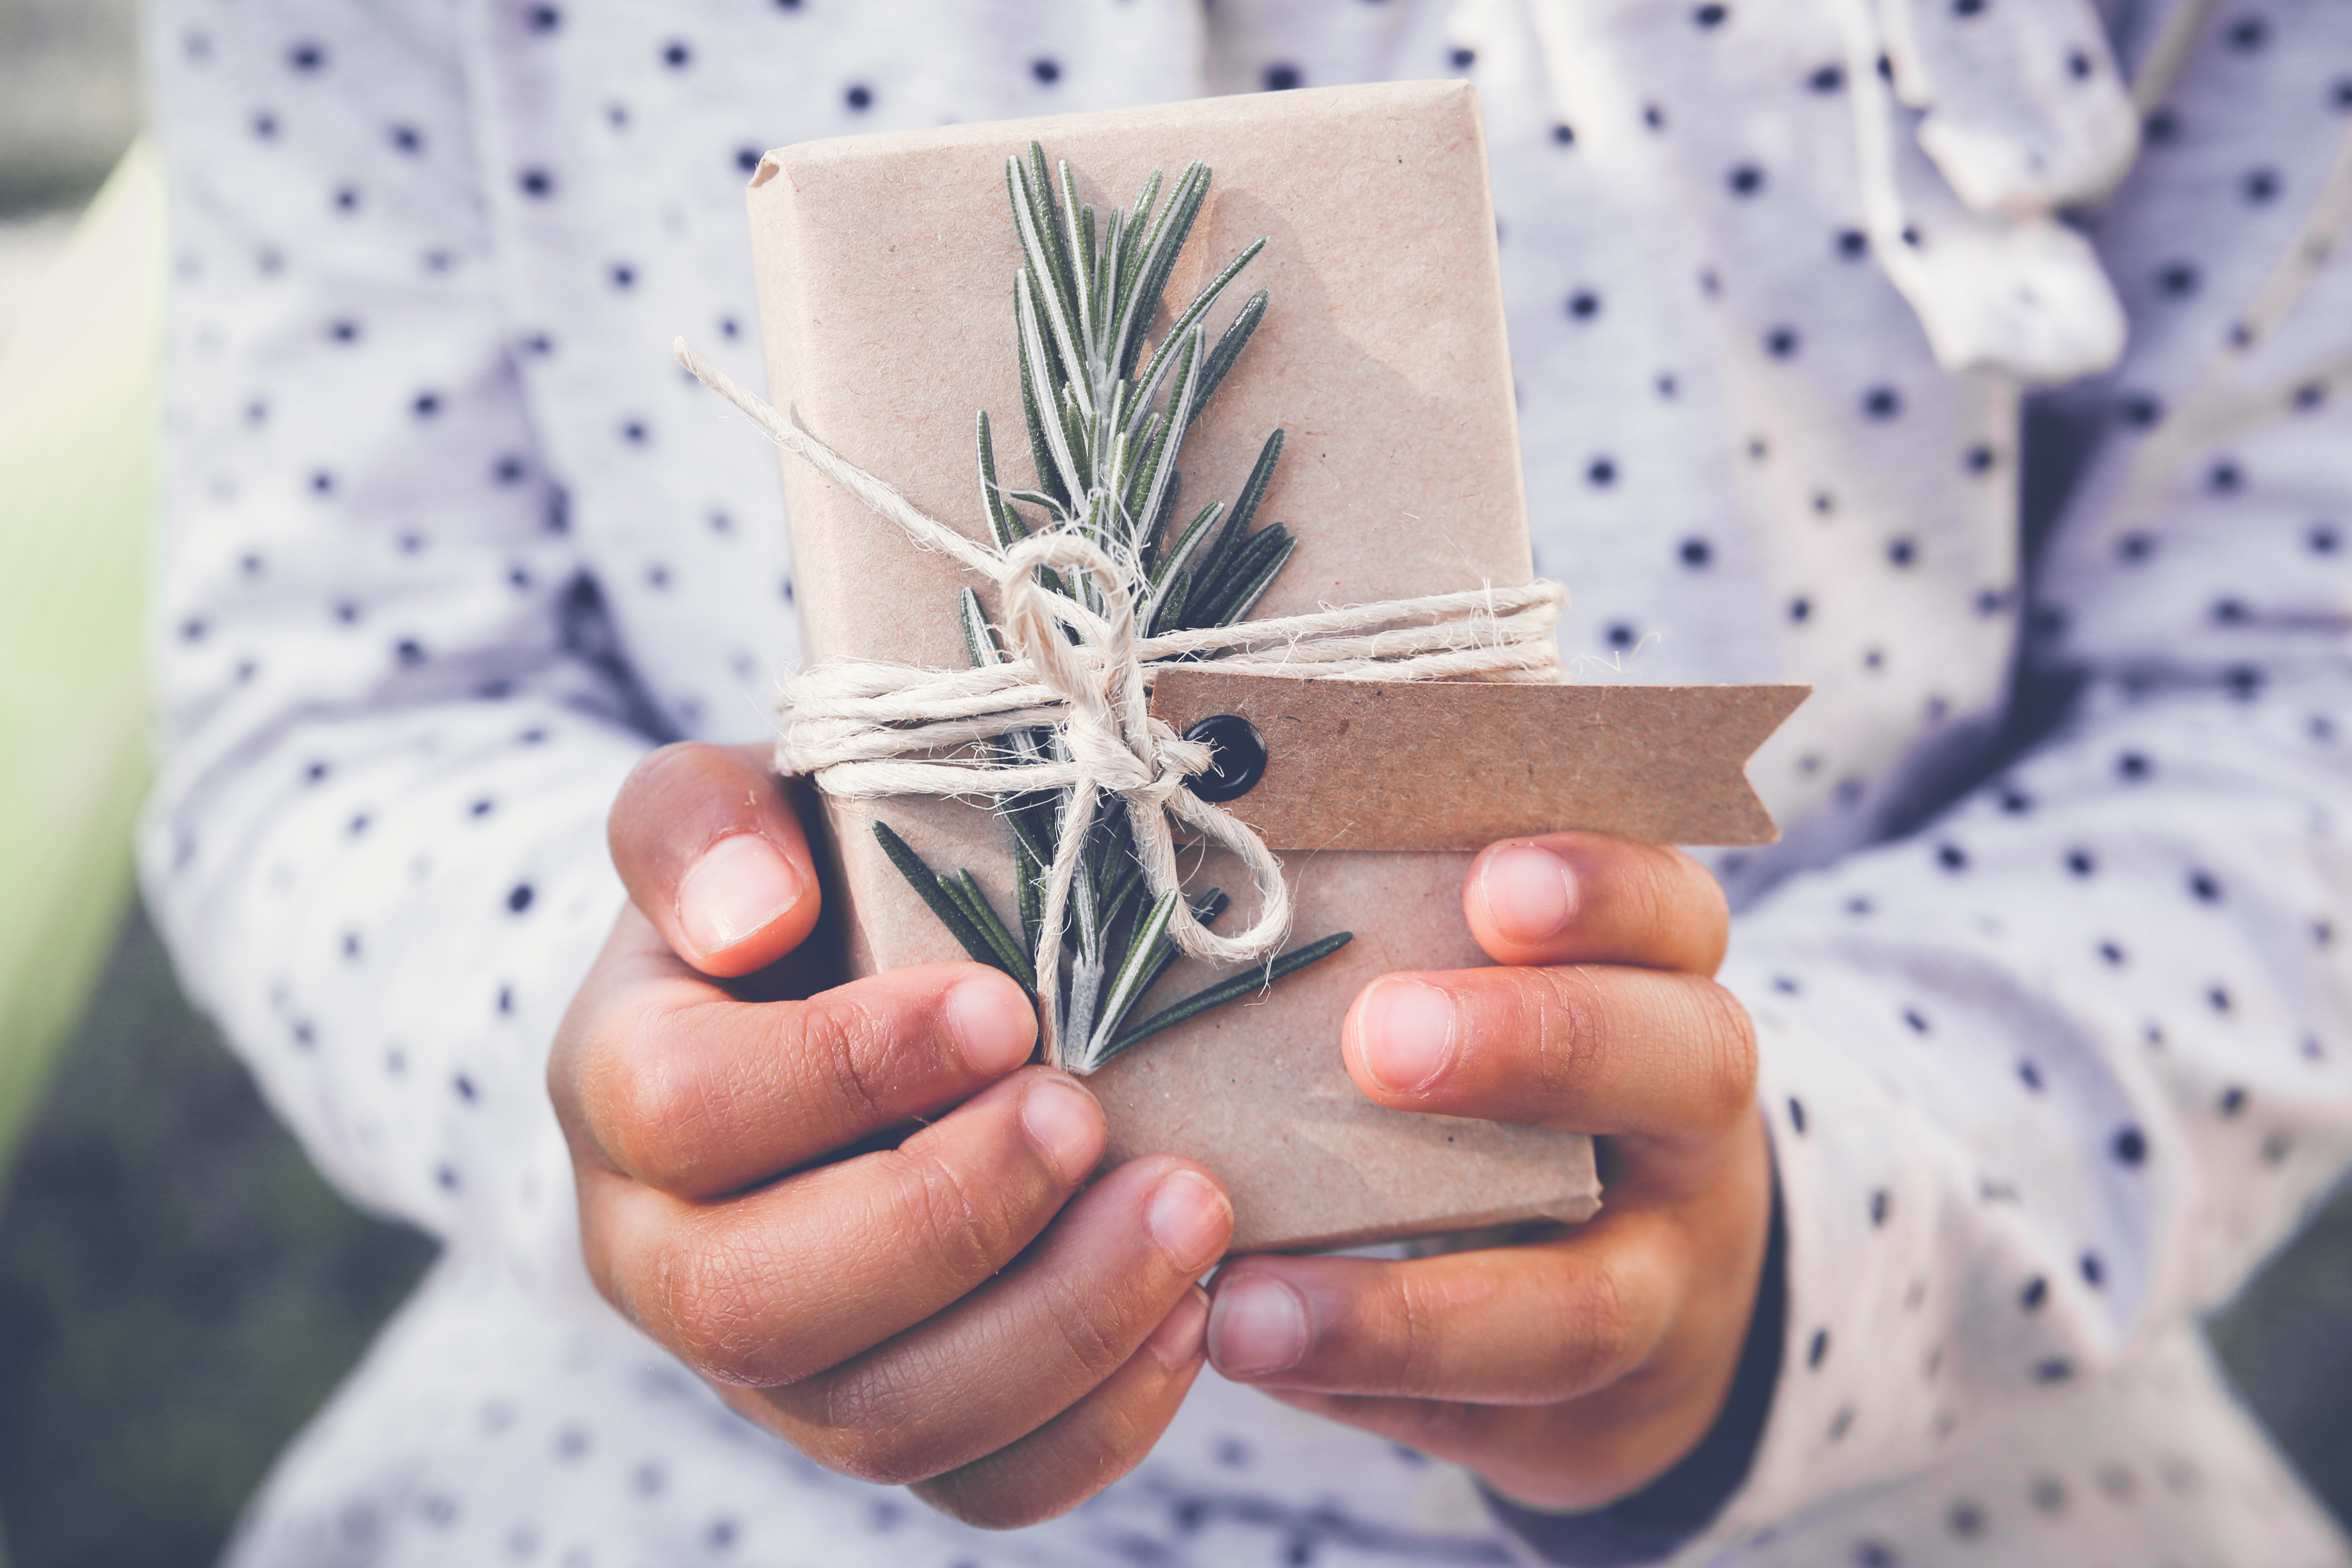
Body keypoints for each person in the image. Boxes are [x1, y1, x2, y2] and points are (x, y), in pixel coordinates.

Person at [141, 0, 2352, 1563]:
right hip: (700, 1464)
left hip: (1885, 1423)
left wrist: (1810, 1233)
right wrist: (661, 1077)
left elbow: (2280, 706)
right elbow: (342, 689)